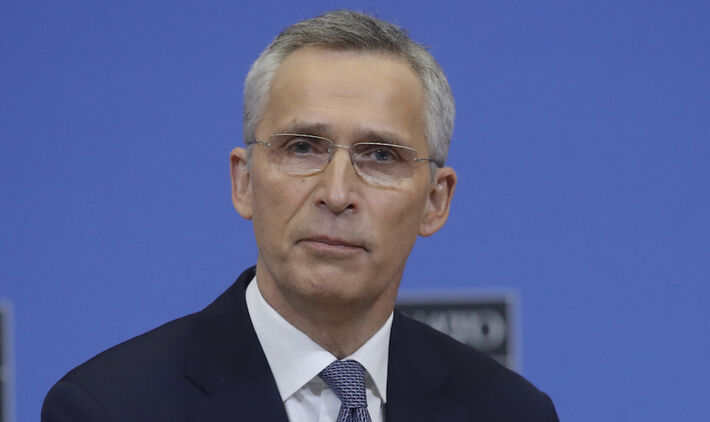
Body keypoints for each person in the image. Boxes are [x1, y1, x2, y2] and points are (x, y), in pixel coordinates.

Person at [42, 10, 559, 422]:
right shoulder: (111, 407)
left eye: (380, 155)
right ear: (244, 182)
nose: (337, 193)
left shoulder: (510, 411)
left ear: (435, 201)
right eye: (303, 148)